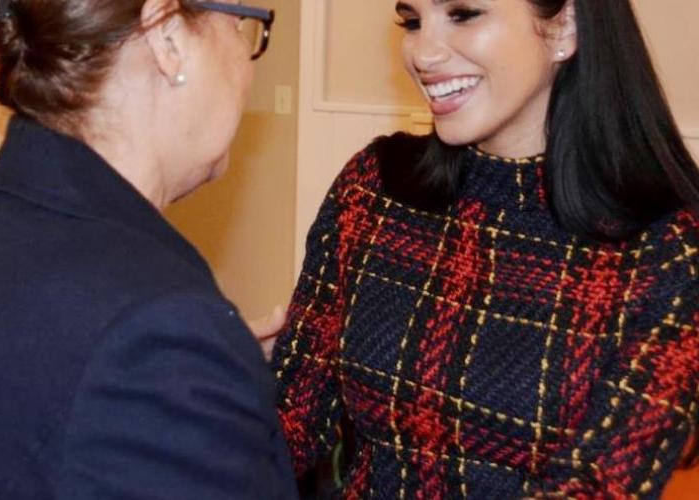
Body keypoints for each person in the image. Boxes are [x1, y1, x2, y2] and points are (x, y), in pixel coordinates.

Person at [270, 0, 699, 497]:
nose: (423, 53)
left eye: (464, 13)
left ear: (564, 27)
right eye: (411, 22)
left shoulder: (669, 252)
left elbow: (597, 487)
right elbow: (289, 421)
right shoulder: (372, 190)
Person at [0, 0, 298, 499]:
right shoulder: (158, 334)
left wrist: (216, 367)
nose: (245, 64)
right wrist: (195, 361)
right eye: (241, 26)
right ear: (168, 37)